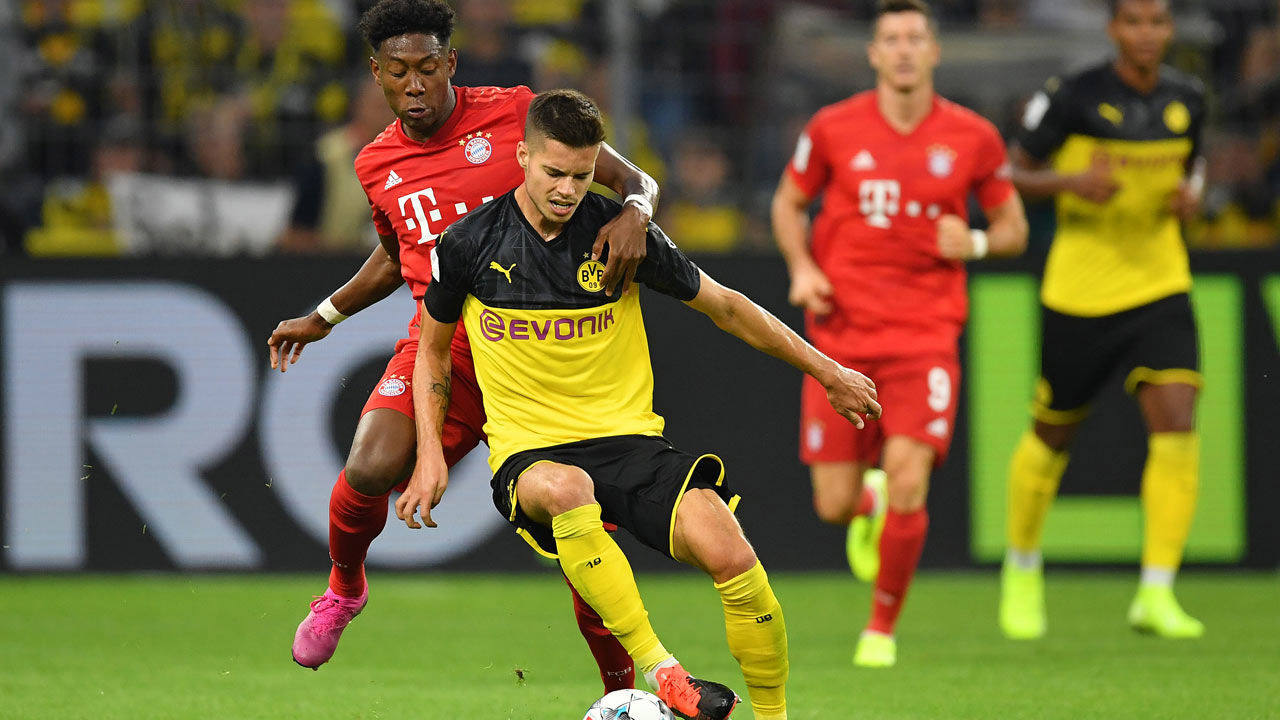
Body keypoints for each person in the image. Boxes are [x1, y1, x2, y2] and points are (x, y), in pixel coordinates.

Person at [398, 89, 881, 720]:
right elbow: (433, 355)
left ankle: (774, 716)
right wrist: (430, 455)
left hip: (630, 443)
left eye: (581, 175)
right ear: (522, 157)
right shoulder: (469, 243)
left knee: (735, 558)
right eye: (554, 172)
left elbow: (727, 307)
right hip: (532, 454)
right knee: (568, 488)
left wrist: (827, 370)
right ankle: (665, 673)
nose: (567, 190)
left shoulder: (620, 235)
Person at [266, 0, 658, 687]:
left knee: (586, 541)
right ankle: (344, 589)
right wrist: (324, 315)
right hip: (445, 347)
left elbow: (635, 180)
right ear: (377, 74)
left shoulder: (517, 115)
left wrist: (635, 212)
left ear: (451, 62)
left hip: (539, 354)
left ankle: (620, 697)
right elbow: (399, 256)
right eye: (398, 72)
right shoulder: (375, 163)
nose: (414, 85)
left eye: (427, 67)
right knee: (369, 466)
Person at [770, 0, 1028, 669]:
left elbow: (1013, 229)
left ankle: (880, 629)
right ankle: (870, 500)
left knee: (910, 478)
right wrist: (802, 268)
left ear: (934, 51)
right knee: (833, 504)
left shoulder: (973, 135)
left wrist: (974, 241)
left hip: (925, 336)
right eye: (892, 39)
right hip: (840, 335)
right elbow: (788, 203)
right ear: (874, 53)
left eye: (916, 38)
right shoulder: (833, 127)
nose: (905, 49)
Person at [999, 0, 1207, 640]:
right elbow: (1010, 172)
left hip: (1161, 283)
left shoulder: (1189, 98)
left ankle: (1157, 591)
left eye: (1158, 22)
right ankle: (1022, 568)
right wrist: (1069, 183)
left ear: (1170, 29)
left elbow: (1194, 168)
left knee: (1178, 421)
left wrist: (1192, 198)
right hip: (1081, 293)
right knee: (1052, 434)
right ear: (1114, 29)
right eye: (1134, 21)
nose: (1147, 33)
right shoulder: (1073, 96)